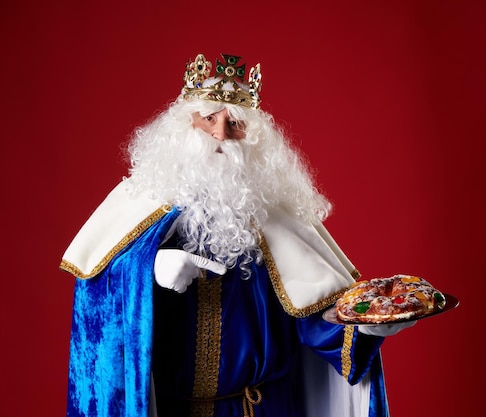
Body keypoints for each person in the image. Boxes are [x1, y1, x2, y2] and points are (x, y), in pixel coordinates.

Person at [61, 53, 414, 417]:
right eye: (209, 118)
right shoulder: (139, 200)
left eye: (236, 123)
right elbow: (97, 302)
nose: (220, 134)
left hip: (261, 409)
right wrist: (148, 266)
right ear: (185, 124)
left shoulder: (277, 215)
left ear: (255, 138)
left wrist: (368, 329)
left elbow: (316, 318)